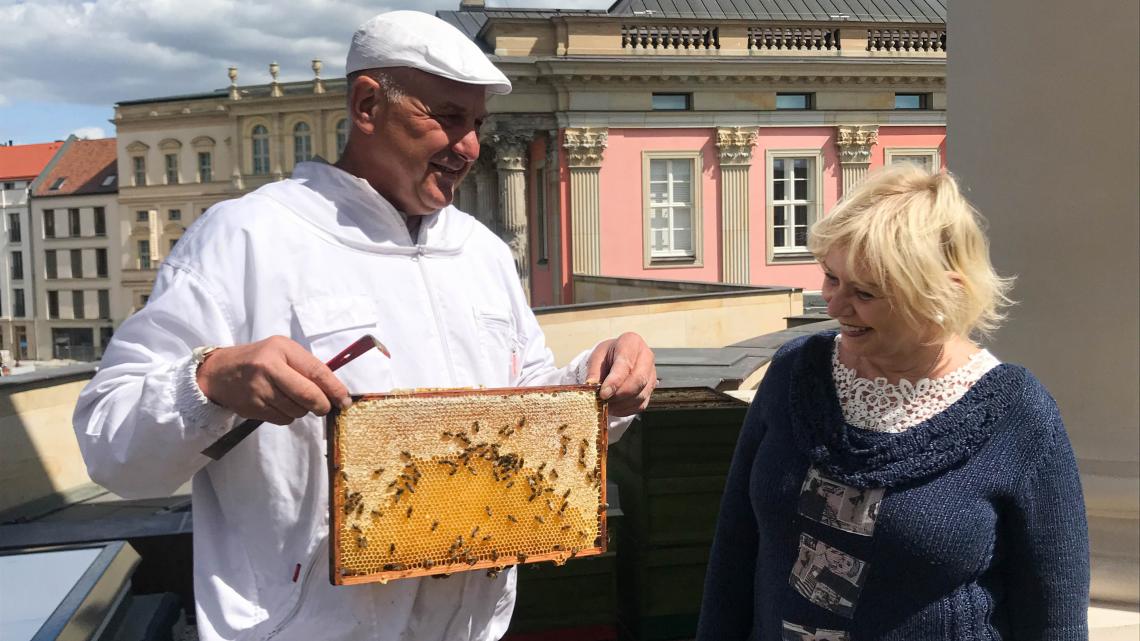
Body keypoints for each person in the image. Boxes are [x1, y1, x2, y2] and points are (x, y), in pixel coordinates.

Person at [72, 10, 655, 641]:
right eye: (448, 118)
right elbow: (112, 450)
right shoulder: (246, 237)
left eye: (477, 125)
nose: (468, 147)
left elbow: (522, 397)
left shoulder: (482, 251)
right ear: (368, 104)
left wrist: (596, 384)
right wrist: (209, 381)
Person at [697, 165, 1089, 639]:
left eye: (865, 292)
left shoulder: (1019, 416)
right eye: (831, 278)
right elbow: (734, 550)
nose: (835, 305)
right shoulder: (795, 371)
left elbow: (1054, 616)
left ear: (942, 293)